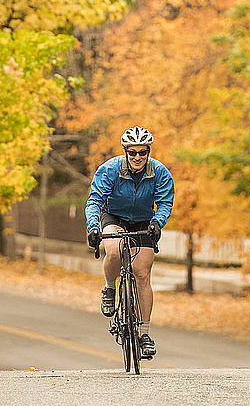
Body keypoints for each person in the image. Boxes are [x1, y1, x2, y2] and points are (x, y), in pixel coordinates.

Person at [85, 126, 174, 359]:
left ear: (148, 152)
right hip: (114, 217)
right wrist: (93, 227)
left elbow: (165, 202)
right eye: (132, 152)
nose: (137, 157)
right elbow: (94, 200)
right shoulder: (110, 170)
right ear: (125, 152)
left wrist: (157, 222)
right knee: (113, 251)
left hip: (144, 221)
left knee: (142, 274)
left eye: (142, 153)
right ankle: (110, 288)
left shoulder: (160, 173)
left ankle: (144, 333)